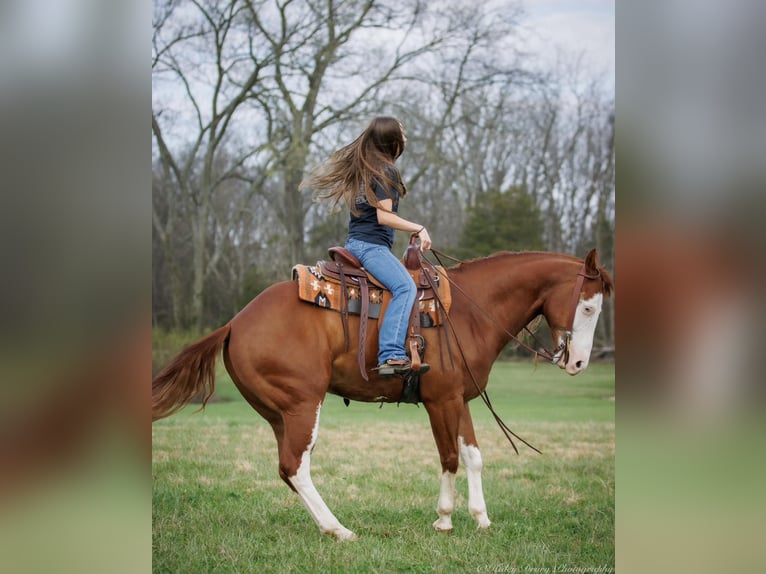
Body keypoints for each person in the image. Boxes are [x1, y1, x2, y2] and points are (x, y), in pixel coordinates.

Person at [302, 116, 431, 377]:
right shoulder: (386, 171)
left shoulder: (366, 170)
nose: (405, 137)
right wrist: (418, 227)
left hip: (358, 244)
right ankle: (392, 355)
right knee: (405, 287)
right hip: (371, 248)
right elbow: (384, 217)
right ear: (392, 140)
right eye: (402, 132)